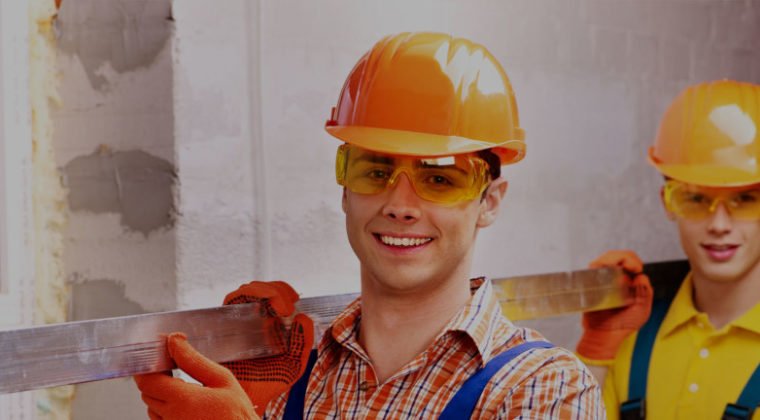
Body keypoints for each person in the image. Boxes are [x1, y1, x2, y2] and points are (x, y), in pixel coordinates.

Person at [134, 31, 602, 419]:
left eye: (439, 179)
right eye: (375, 172)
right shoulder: (292, 377)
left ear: (489, 201)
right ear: (345, 190)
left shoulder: (542, 388)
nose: (400, 205)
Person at [576, 80, 760, 420]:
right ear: (667, 203)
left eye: (746, 200)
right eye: (695, 199)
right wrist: (596, 357)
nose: (719, 224)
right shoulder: (630, 340)